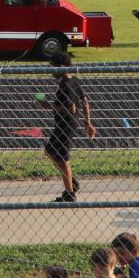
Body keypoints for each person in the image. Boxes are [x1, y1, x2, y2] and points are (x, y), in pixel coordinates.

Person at [42, 52, 95, 201]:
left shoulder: (66, 84)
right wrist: (88, 123)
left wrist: (49, 106)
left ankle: (70, 194)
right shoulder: (73, 80)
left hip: (66, 125)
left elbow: (71, 108)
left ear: (61, 67)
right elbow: (84, 101)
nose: (51, 70)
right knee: (50, 151)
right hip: (64, 124)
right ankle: (71, 181)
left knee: (62, 159)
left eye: (53, 67)